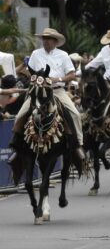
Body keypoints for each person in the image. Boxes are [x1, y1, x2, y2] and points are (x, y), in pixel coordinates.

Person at [8, 28, 85, 163]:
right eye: (44, 38)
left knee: (75, 114)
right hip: (37, 91)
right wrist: (32, 78)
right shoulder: (35, 54)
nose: (45, 41)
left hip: (57, 90)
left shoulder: (63, 55)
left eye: (48, 39)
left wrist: (58, 79)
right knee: (21, 114)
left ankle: (78, 145)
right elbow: (28, 72)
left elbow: (72, 74)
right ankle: (17, 148)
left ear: (55, 41)